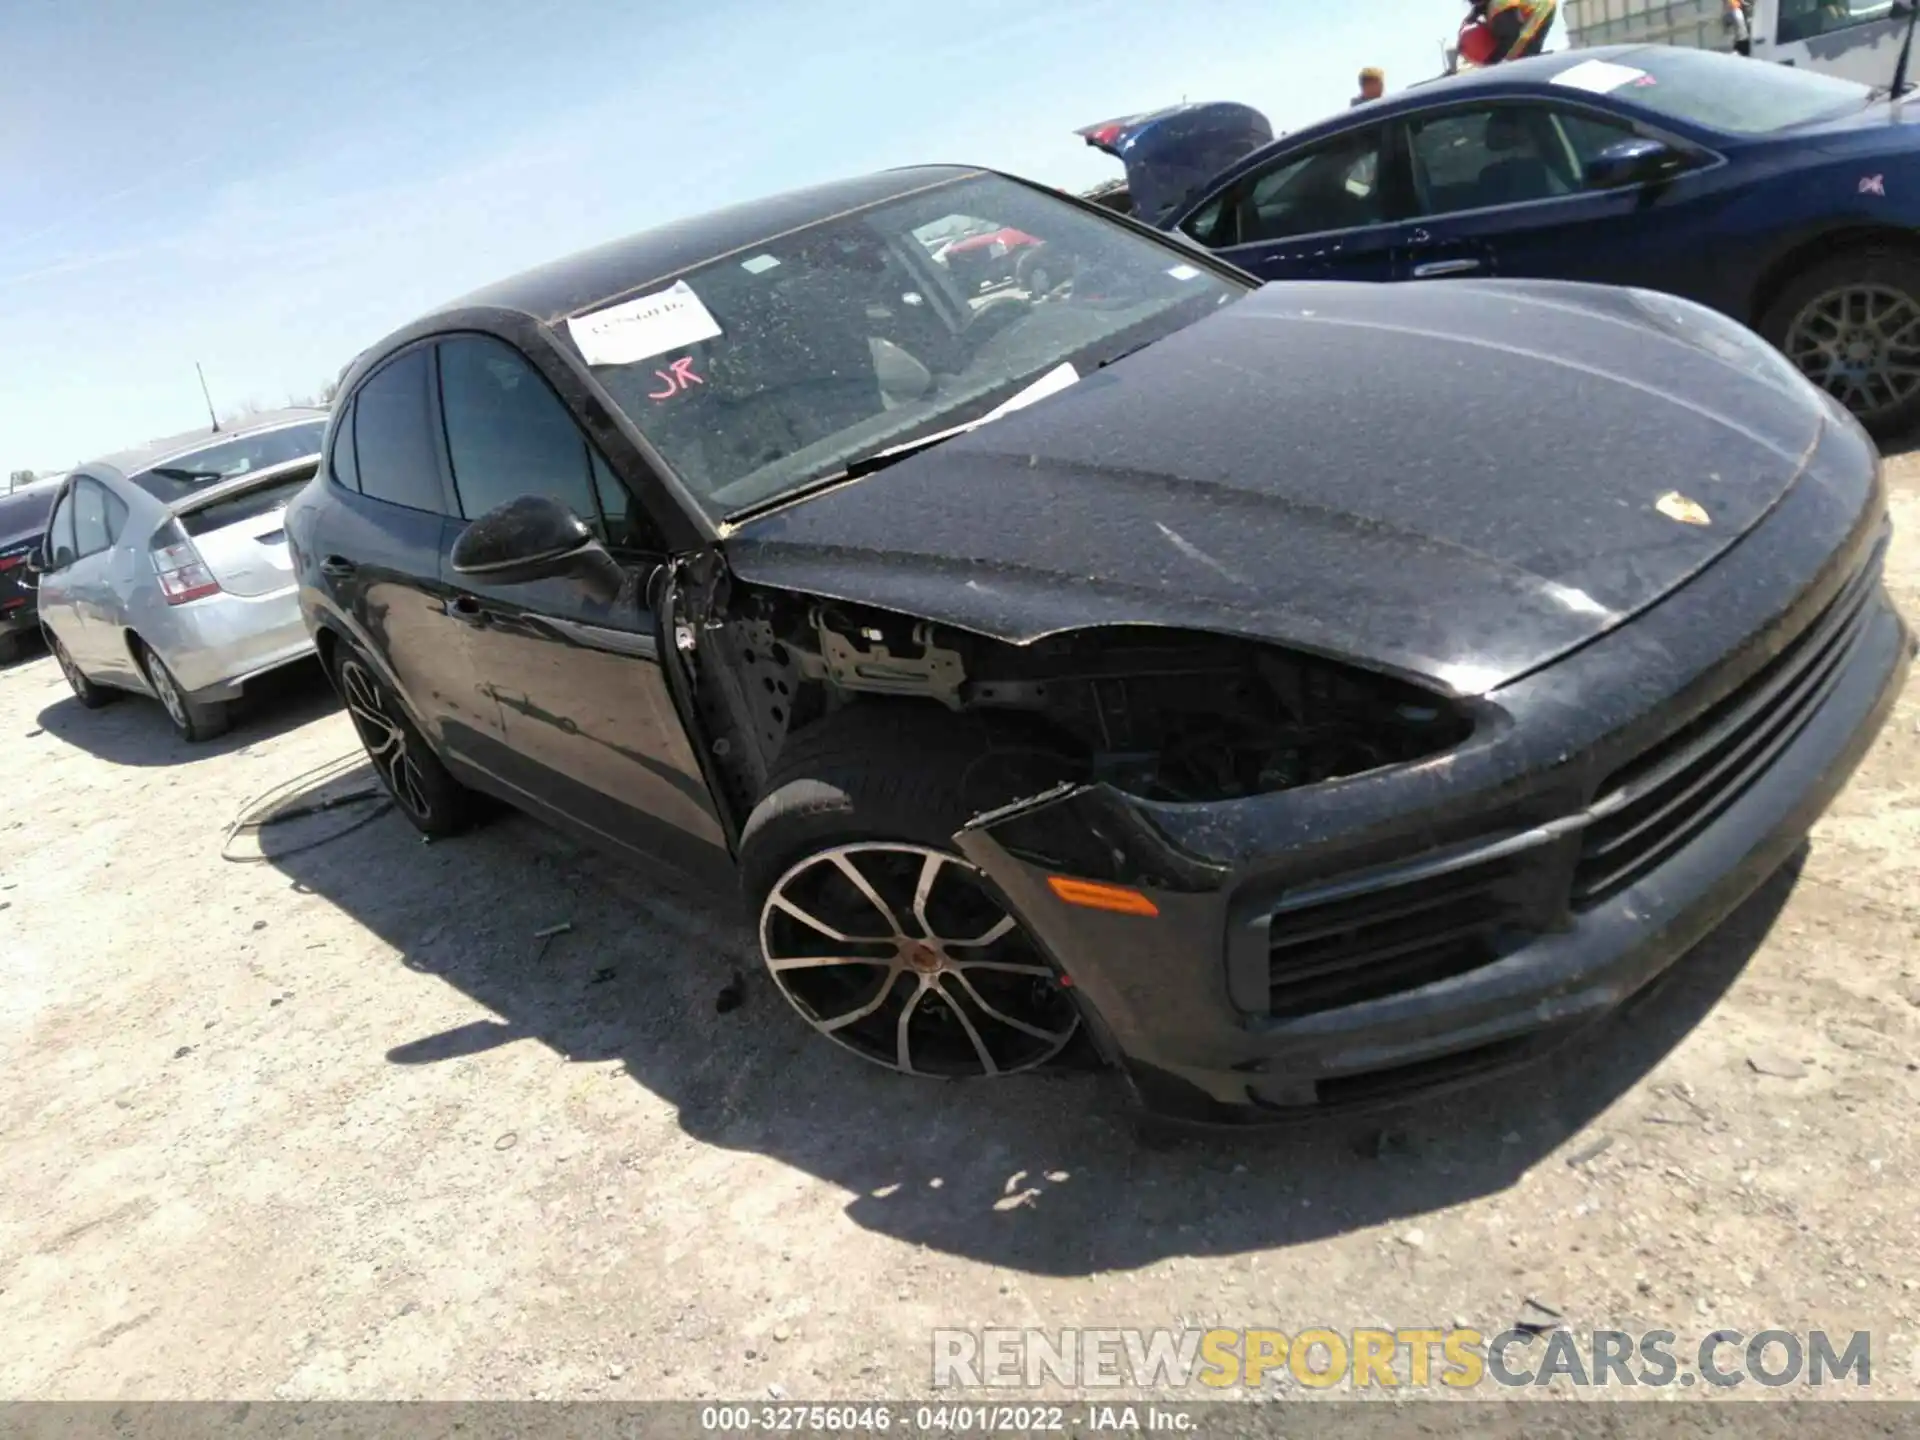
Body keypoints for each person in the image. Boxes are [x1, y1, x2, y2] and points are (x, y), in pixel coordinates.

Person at [1465, 0, 1558, 62]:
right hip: (1536, 7)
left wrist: (1494, 61)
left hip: (1543, 8)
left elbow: (1512, 39)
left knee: (1525, 55)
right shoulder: (1492, 9)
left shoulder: (1498, 12)